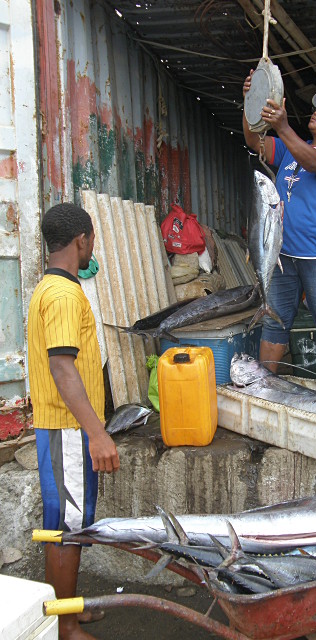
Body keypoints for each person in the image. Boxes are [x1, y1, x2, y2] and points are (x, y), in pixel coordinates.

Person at [27, 203, 120, 640]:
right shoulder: (63, 295)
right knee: (65, 528)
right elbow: (63, 369)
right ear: (81, 240)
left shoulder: (53, 287)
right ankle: (63, 626)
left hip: (64, 426)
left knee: (68, 523)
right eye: (93, 239)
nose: (92, 246)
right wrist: (97, 434)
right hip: (67, 427)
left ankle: (66, 610)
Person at [243, 70, 316, 383]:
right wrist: (249, 103)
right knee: (274, 323)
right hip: (283, 255)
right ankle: (264, 387)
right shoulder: (293, 150)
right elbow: (254, 140)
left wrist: (283, 126)